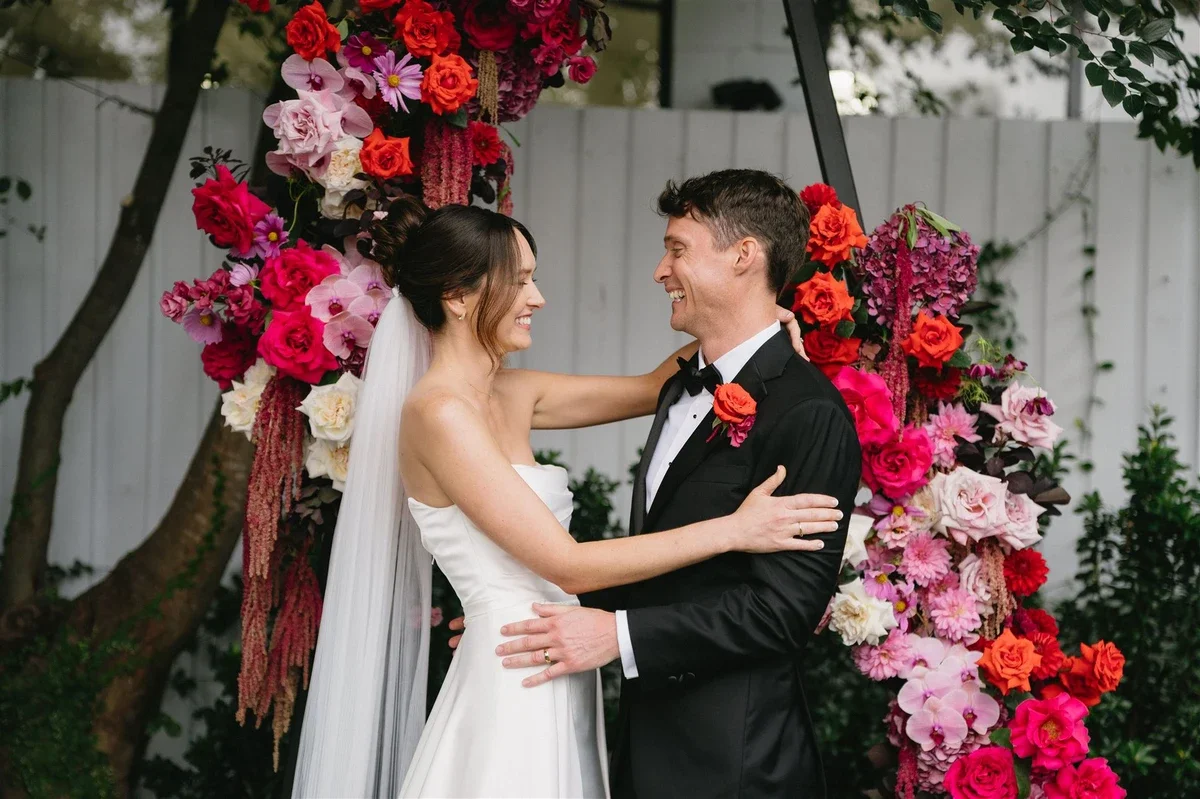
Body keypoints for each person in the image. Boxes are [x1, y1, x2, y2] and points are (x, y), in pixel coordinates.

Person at [290, 197, 842, 798]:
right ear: (457, 296)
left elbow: (656, 386)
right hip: (515, 675)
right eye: (521, 281)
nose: (537, 298)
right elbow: (565, 563)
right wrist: (733, 530)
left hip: (559, 653)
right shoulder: (439, 414)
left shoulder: (515, 393)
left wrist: (758, 323)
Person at [492, 169, 862, 798]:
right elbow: (670, 568)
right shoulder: (680, 387)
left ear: (744, 255)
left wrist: (617, 636)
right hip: (647, 746)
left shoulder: (809, 414)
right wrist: (535, 619)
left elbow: (784, 613)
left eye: (678, 248)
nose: (660, 271)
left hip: (733, 763)